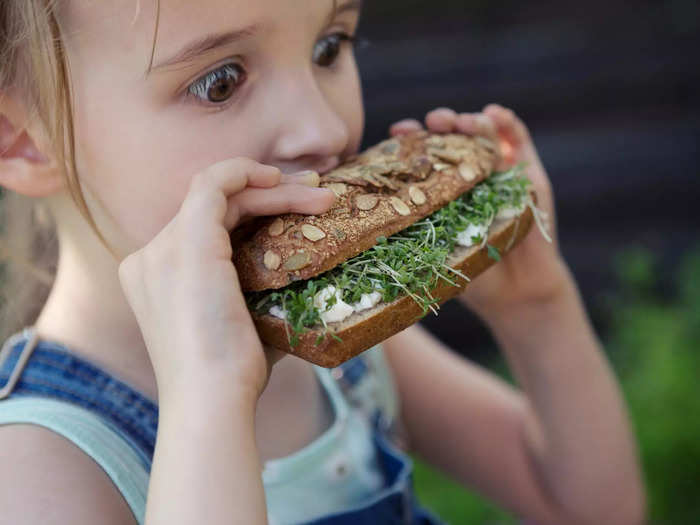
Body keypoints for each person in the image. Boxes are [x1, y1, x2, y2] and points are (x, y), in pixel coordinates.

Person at [0, 1, 645, 524]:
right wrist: (210, 401)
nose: (323, 130)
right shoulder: (37, 463)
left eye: (329, 47)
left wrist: (535, 308)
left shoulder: (339, 343)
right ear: (25, 141)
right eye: (220, 81)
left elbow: (590, 506)